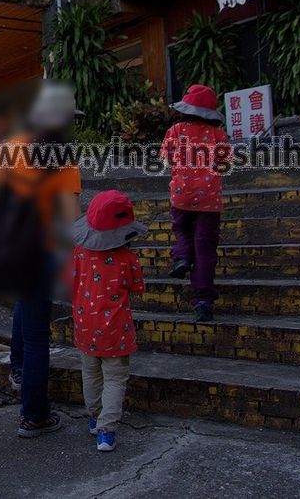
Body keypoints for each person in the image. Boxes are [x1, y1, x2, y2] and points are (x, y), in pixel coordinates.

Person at [0, 81, 82, 437]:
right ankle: (34, 415)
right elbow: (69, 215)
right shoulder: (62, 156)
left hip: (9, 247)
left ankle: (18, 368)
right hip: (41, 249)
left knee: (24, 302)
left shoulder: (6, 148)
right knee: (39, 334)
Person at [69, 189, 147, 452]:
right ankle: (107, 431)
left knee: (90, 374)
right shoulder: (128, 259)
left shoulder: (79, 253)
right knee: (114, 379)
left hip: (85, 327)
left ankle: (94, 418)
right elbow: (138, 287)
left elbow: (68, 282)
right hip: (116, 330)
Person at [160, 84, 231, 322]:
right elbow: (225, 166)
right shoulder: (219, 136)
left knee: (182, 231)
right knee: (206, 248)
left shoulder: (175, 130)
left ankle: (181, 257)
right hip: (209, 201)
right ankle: (202, 301)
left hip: (181, 196)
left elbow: (167, 160)